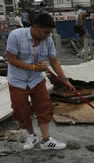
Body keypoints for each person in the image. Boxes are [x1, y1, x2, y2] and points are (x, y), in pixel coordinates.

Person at [6, 13, 73, 151]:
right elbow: (12, 59)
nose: (48, 35)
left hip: (36, 80)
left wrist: (65, 80)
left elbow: (54, 61)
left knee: (44, 107)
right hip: (17, 80)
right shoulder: (16, 36)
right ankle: (31, 135)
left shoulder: (48, 41)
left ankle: (46, 140)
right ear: (35, 27)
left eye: (50, 32)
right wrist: (34, 67)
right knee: (21, 109)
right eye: (45, 32)